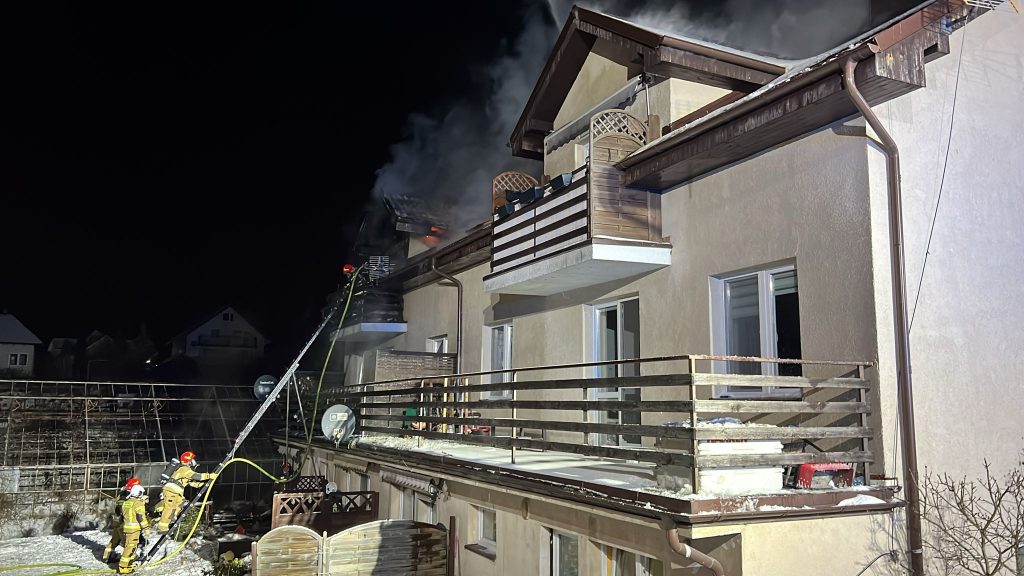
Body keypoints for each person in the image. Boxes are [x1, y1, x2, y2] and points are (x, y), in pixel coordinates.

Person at [156, 450, 217, 533]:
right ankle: (162, 527)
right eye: (192, 459)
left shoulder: (184, 471)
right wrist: (209, 476)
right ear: (189, 461)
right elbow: (197, 476)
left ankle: (171, 516)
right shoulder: (185, 469)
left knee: (181, 503)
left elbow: (191, 483)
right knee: (169, 508)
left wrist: (203, 484)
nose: (194, 462)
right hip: (171, 490)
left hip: (176, 492)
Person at [102, 478, 139, 562]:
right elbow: (124, 509)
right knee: (128, 542)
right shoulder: (126, 495)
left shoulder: (122, 493)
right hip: (122, 522)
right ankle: (128, 559)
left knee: (115, 540)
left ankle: (107, 556)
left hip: (117, 521)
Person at [118, 481, 151, 574]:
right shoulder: (138, 503)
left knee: (130, 547)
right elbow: (140, 517)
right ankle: (123, 567)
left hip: (127, 528)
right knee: (130, 547)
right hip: (134, 529)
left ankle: (129, 563)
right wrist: (146, 528)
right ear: (139, 493)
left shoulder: (126, 502)